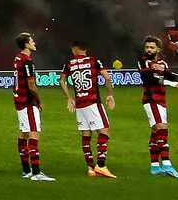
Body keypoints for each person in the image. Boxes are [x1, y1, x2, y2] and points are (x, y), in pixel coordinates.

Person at [62, 40, 115, 178]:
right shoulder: (94, 61)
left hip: (80, 104)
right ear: (85, 49)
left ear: (74, 50)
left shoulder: (69, 64)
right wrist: (109, 95)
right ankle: (101, 166)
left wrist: (69, 97)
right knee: (104, 131)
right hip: (93, 102)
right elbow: (107, 78)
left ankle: (91, 168)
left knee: (86, 135)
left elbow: (62, 81)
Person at [138, 36, 178, 177]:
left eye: (152, 47)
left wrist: (163, 69)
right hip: (151, 99)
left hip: (161, 100)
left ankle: (155, 166)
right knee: (162, 129)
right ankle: (167, 164)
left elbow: (171, 76)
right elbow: (148, 79)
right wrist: (171, 84)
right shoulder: (143, 61)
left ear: (158, 49)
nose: (149, 50)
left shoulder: (162, 63)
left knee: (155, 131)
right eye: (147, 47)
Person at [14, 33, 53, 181]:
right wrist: (38, 100)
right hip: (28, 102)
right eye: (31, 41)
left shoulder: (18, 58)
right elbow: (31, 85)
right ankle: (36, 172)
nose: (34, 43)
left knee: (24, 133)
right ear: (26, 44)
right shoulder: (27, 62)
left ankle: (26, 170)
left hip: (19, 101)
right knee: (34, 132)